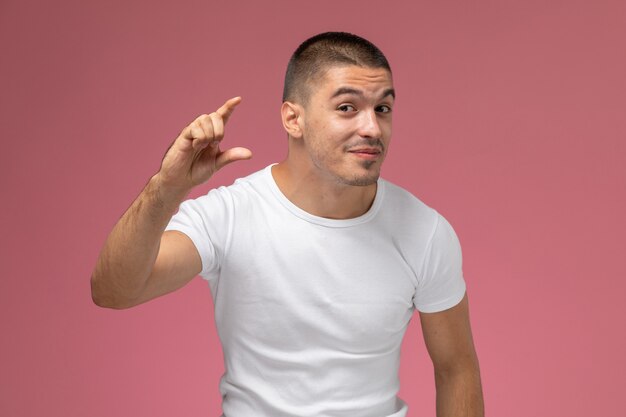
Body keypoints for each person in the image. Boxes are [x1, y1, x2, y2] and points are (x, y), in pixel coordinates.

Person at [91, 32, 484, 417]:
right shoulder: (230, 215)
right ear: (293, 119)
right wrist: (167, 186)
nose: (372, 128)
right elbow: (115, 290)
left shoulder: (425, 231)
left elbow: (456, 369)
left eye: (382, 108)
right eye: (348, 107)